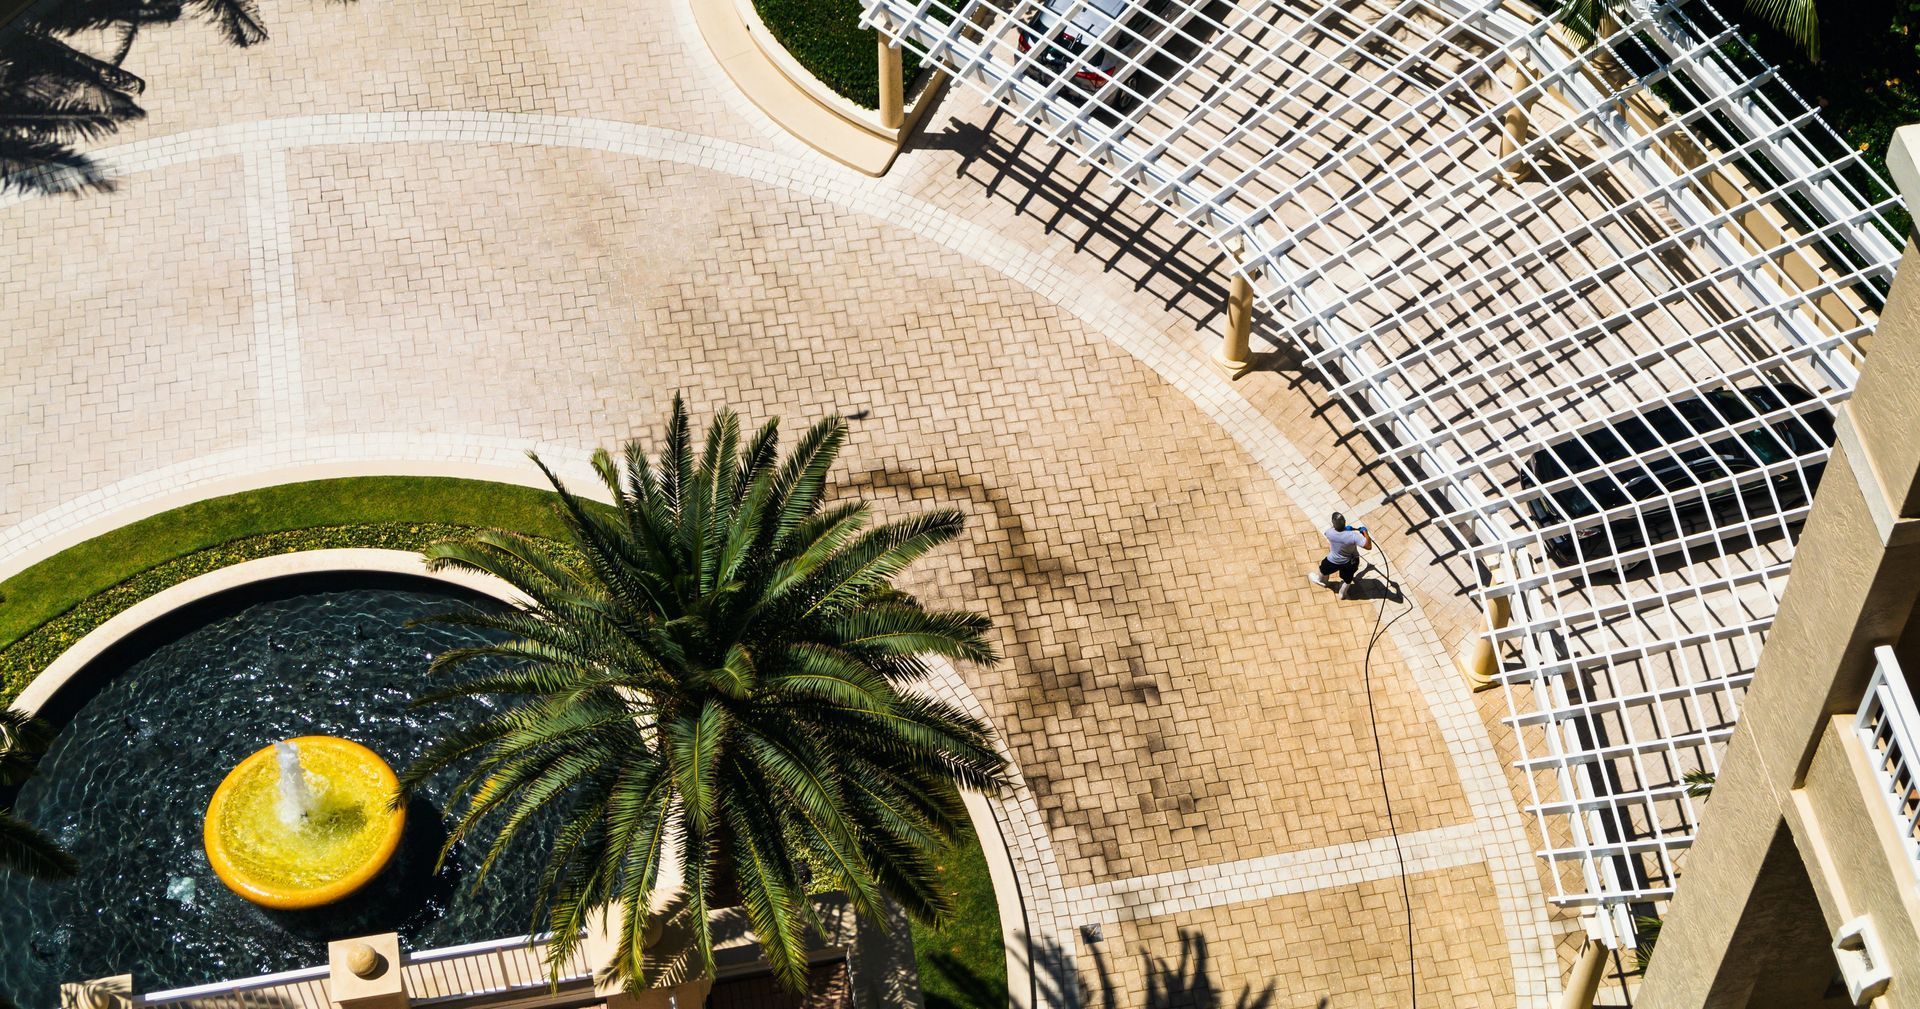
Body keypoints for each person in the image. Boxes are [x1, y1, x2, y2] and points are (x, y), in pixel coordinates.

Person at [1310, 512, 1370, 599]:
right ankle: (1342, 594)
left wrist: (1345, 529)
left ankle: (1321, 581)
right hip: (1350, 562)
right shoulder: (1353, 536)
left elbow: (1336, 532)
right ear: (1345, 521)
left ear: (1333, 524)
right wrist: (1365, 532)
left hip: (1333, 560)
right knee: (1347, 578)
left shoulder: (1329, 532)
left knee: (1323, 568)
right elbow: (1368, 546)